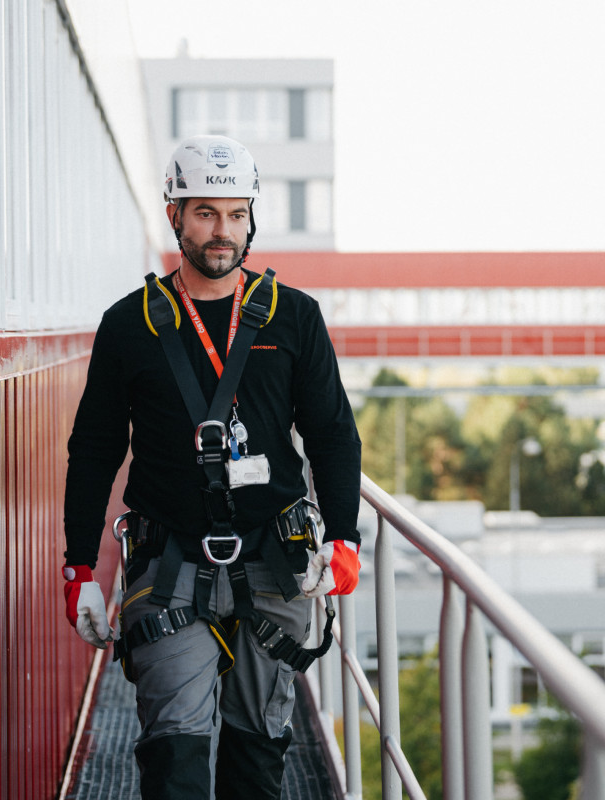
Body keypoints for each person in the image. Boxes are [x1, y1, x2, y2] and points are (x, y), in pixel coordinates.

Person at [60, 134, 362, 799]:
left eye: (235, 214)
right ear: (175, 216)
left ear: (251, 218)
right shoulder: (130, 324)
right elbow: (95, 448)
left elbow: (333, 434)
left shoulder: (295, 318)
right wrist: (80, 567)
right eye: (204, 213)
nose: (222, 231)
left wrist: (344, 536)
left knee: (258, 756)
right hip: (170, 563)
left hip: (274, 562)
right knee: (175, 758)